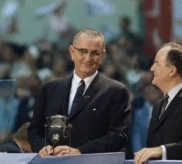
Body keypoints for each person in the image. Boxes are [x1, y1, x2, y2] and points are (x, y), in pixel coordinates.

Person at [28, 29, 132, 157]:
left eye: (95, 53)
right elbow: (35, 129)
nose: (88, 58)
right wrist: (43, 147)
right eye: (82, 51)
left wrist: (81, 152)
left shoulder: (116, 91)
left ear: (102, 56)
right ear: (72, 52)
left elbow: (119, 135)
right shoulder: (49, 89)